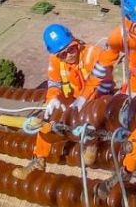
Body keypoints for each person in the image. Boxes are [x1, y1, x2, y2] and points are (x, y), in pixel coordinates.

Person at [12, 23, 114, 180]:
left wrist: (87, 103)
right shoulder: (55, 59)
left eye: (71, 49)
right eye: (62, 54)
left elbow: (105, 84)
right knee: (46, 123)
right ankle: (38, 159)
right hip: (73, 101)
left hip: (99, 99)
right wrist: (52, 99)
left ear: (75, 41)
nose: (69, 56)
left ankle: (92, 142)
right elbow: (54, 83)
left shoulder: (93, 54)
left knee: (96, 115)